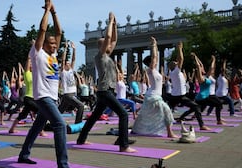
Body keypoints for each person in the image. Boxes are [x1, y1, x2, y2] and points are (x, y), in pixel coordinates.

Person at [17, 0, 78, 168]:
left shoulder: (53, 55)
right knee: (59, 124)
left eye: (55, 44)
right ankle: (63, 164)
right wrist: (46, 12)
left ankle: (23, 155)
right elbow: (42, 30)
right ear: (43, 44)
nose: (53, 45)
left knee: (37, 127)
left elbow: (59, 32)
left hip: (51, 97)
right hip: (42, 96)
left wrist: (54, 12)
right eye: (50, 43)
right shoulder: (37, 53)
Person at [76, 12, 136, 152]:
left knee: (94, 117)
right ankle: (123, 145)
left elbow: (114, 39)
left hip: (106, 91)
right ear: (102, 46)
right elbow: (109, 37)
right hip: (104, 91)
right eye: (107, 44)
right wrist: (109, 21)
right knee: (123, 114)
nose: (110, 45)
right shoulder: (100, 56)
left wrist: (114, 24)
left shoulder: (107, 55)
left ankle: (81, 139)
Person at [131, 37, 177, 138]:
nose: (155, 61)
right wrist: (154, 45)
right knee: (167, 112)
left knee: (148, 114)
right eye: (153, 61)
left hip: (153, 96)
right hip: (153, 96)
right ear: (150, 63)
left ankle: (136, 129)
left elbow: (155, 58)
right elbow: (155, 57)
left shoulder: (154, 71)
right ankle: (170, 133)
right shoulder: (150, 70)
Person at [167, 41, 210, 130]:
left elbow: (179, 61)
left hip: (174, 96)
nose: (177, 63)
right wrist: (179, 48)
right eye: (176, 63)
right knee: (196, 107)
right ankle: (201, 125)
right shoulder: (176, 71)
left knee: (166, 110)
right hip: (180, 96)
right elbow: (181, 59)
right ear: (175, 66)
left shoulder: (173, 73)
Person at [8, 54, 46, 136]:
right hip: (28, 98)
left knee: (23, 115)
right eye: (31, 65)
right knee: (41, 112)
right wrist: (30, 55)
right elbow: (27, 64)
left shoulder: (37, 75)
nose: (32, 65)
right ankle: (41, 131)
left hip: (34, 99)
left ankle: (11, 129)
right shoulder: (27, 74)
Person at [190, 53, 225, 125]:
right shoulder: (205, 77)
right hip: (208, 95)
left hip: (209, 95)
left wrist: (196, 57)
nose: (203, 68)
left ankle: (194, 115)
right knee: (218, 104)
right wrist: (214, 60)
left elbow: (201, 65)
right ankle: (218, 120)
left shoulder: (209, 76)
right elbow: (206, 67)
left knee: (200, 108)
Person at [58, 41, 84, 124]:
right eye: (67, 64)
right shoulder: (63, 72)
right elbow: (63, 60)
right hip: (67, 94)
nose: (69, 64)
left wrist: (74, 49)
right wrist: (65, 48)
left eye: (69, 64)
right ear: (65, 65)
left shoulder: (71, 70)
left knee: (59, 111)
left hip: (72, 94)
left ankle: (51, 122)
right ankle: (78, 123)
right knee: (81, 106)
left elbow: (73, 59)